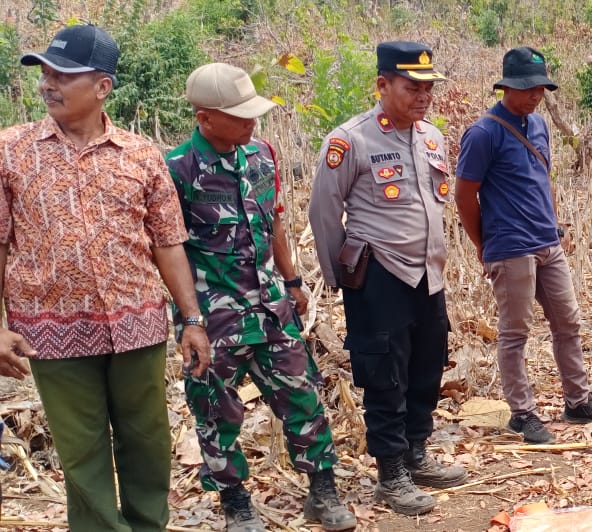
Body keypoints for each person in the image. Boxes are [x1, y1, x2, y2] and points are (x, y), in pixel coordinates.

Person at [0, 24, 210, 531]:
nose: (49, 84)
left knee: (147, 442)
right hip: (51, 331)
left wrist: (192, 318)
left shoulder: (141, 155)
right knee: (82, 453)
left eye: (64, 75)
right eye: (45, 73)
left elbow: (168, 243)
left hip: (136, 325)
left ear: (102, 87)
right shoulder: (10, 151)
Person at [166, 63, 355, 532]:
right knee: (215, 411)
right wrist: (190, 320)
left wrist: (293, 284)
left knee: (303, 397)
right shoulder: (176, 171)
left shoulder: (262, 155)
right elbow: (167, 250)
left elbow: (273, 224)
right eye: (240, 115)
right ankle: (236, 505)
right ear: (205, 118)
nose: (252, 123)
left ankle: (322, 491)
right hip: (213, 318)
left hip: (271, 308)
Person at [309, 41, 467, 516]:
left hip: (427, 275)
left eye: (428, 88)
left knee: (427, 366)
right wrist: (341, 278)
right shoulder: (350, 140)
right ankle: (391, 473)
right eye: (411, 87)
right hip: (378, 274)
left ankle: (416, 452)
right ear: (382, 85)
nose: (423, 96)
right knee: (384, 376)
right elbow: (323, 211)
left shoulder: (432, 137)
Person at [455, 46, 592, 445]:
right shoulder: (483, 133)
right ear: (506, 87)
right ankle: (522, 413)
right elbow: (464, 197)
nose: (535, 95)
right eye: (527, 88)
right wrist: (484, 245)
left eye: (541, 88)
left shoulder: (540, 126)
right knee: (515, 332)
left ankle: (577, 401)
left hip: (547, 241)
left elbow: (544, 179)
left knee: (568, 322)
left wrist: (555, 224)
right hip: (510, 246)